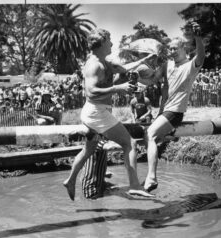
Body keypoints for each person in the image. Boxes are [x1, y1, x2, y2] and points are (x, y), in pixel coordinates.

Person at [63, 28, 155, 200]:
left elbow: (122, 68)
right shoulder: (94, 65)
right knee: (130, 143)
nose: (112, 43)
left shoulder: (104, 61)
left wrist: (143, 60)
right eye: (110, 40)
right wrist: (117, 88)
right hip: (96, 113)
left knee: (89, 149)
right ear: (102, 42)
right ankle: (134, 185)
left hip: (94, 112)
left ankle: (70, 180)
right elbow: (91, 92)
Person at [143, 20, 205, 192]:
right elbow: (151, 80)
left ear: (183, 47)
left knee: (150, 134)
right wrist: (133, 74)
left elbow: (201, 56)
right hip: (163, 112)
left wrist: (198, 38)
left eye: (174, 48)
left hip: (175, 112)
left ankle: (151, 177)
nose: (171, 51)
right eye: (169, 48)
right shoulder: (166, 64)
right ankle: (167, 136)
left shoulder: (190, 65)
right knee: (145, 137)